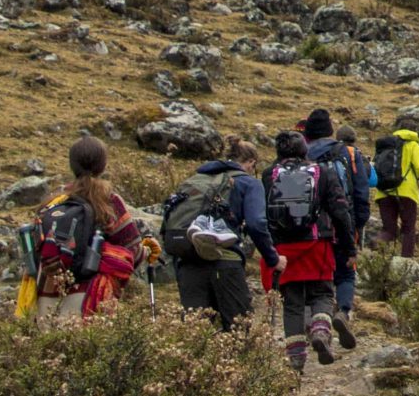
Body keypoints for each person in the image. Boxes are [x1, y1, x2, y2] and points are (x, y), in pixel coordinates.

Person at [161, 137, 279, 328]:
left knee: (195, 333)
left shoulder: (196, 179)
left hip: (188, 261)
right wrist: (273, 259)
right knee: (238, 330)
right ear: (251, 163)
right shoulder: (249, 183)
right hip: (225, 261)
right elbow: (257, 224)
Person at [262, 129, 353, 373]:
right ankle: (321, 330)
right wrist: (348, 246)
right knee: (322, 293)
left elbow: (264, 215)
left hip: (283, 250)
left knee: (292, 303)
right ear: (305, 149)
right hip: (317, 244)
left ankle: (295, 359)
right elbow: (340, 211)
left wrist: (267, 249)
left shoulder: (268, 175)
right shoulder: (322, 172)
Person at [34, 135, 146, 323]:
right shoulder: (108, 200)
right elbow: (133, 251)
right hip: (88, 297)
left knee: (49, 350)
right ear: (103, 165)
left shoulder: (54, 202)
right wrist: (147, 249)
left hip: (46, 294)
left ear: (72, 165)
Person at [302, 107, 369, 349]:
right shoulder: (349, 153)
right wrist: (358, 224)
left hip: (312, 227)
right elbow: (361, 192)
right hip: (345, 221)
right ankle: (343, 310)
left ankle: (316, 322)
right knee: (346, 271)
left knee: (319, 275)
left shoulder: (303, 155)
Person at [374, 112, 419, 255]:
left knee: (388, 230)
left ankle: (374, 253)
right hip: (406, 192)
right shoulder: (413, 145)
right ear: (415, 131)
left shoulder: (386, 145)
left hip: (384, 191)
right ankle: (406, 261)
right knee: (408, 228)